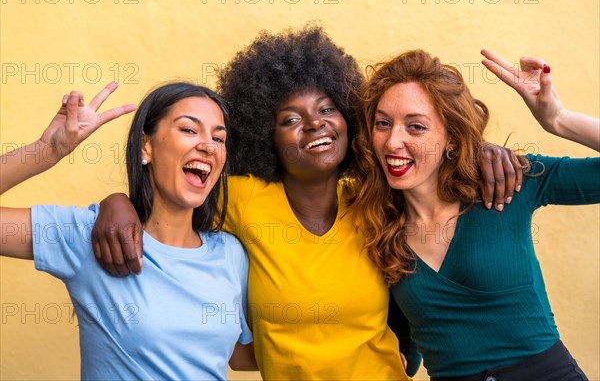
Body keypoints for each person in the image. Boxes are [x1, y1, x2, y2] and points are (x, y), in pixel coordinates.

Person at [91, 26, 521, 380]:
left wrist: (481, 150)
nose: (314, 123)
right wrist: (118, 203)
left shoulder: (375, 197)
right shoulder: (241, 199)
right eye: (290, 119)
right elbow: (172, 199)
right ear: (265, 137)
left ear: (349, 120)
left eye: (327, 109)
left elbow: (430, 161)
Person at [351, 49, 599, 380]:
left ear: (451, 137)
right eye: (383, 123)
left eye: (416, 127)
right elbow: (403, 357)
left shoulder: (507, 182)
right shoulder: (376, 224)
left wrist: (558, 119)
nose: (393, 141)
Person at [0, 82, 257, 380]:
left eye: (219, 137)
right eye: (189, 130)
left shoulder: (230, 254)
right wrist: (47, 150)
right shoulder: (90, 236)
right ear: (146, 146)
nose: (208, 145)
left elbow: (240, 357)